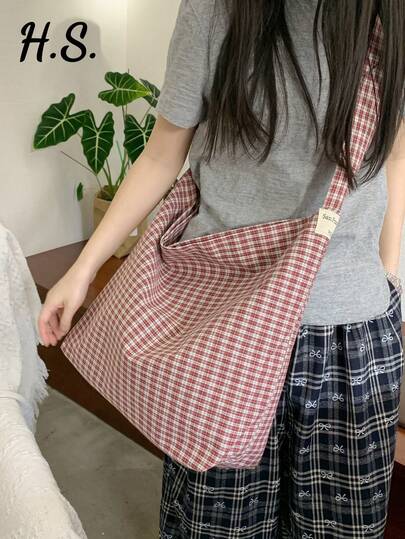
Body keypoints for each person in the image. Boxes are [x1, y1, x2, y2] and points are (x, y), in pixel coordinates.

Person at [38, 0, 405, 537]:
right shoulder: (216, 10)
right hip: (221, 329)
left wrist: (388, 276)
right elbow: (163, 154)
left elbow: (394, 158)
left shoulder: (390, 18)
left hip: (351, 341)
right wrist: (82, 269)